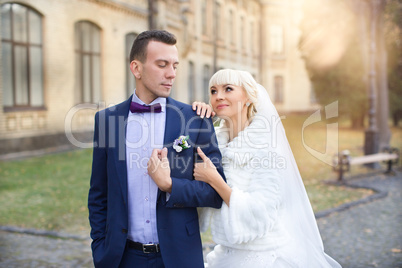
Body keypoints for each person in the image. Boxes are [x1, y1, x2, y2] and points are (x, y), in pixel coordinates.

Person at [87, 30, 225, 268]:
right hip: (123, 258)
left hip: (180, 257)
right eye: (162, 65)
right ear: (136, 68)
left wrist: (170, 185)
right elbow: (99, 194)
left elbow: (215, 192)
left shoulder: (196, 119)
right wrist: (100, 247)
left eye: (175, 66)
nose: (171, 74)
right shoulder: (107, 121)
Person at [193, 69, 342, 267]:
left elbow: (261, 212)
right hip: (225, 252)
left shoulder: (267, 148)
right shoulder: (214, 145)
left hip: (262, 255)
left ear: (248, 97)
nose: (218, 96)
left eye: (228, 89)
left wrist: (214, 180)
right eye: (213, 91)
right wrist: (193, 120)